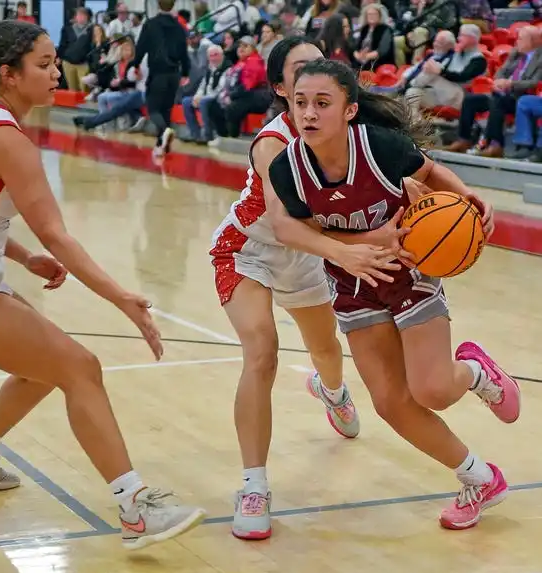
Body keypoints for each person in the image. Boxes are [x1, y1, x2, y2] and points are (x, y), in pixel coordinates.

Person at [0, 20, 205, 551]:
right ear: (7, 74)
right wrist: (123, 299)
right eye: (42, 64)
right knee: (79, 366)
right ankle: (135, 507)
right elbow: (58, 235)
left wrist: (20, 255)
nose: (55, 71)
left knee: (43, 367)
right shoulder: (3, 137)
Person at [268, 58, 520, 530]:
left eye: (323, 103)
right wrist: (360, 246)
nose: (309, 113)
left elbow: (433, 173)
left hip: (409, 270)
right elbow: (288, 228)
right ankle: (480, 478)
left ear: (349, 110)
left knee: (433, 390)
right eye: (301, 103)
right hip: (352, 284)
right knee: (389, 402)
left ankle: (473, 371)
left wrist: (468, 196)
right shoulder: (289, 168)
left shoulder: (381, 147)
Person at [209, 36, 413, 541]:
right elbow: (289, 225)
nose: (314, 82)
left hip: (309, 256)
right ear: (281, 89)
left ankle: (332, 390)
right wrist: (369, 240)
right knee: (262, 352)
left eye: (323, 72)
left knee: (326, 350)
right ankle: (253, 485)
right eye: (300, 75)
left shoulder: (348, 129)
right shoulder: (274, 145)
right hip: (250, 249)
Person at [127, 0, 189, 157]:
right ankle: (162, 147)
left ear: (158, 5)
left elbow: (140, 47)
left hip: (158, 73)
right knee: (166, 110)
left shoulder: (151, 24)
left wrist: (134, 64)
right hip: (174, 74)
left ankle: (164, 131)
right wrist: (186, 73)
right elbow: (184, 53)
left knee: (153, 109)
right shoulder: (179, 27)